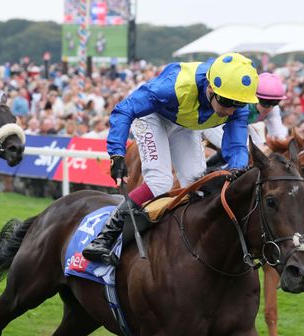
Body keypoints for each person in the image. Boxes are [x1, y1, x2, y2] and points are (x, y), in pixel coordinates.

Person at [82, 52, 259, 265]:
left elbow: (237, 146)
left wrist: (237, 170)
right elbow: (124, 110)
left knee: (196, 183)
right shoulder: (172, 86)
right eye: (227, 102)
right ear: (211, 89)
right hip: (153, 117)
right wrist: (117, 153)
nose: (231, 110)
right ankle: (104, 237)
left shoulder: (235, 101)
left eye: (238, 105)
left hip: (186, 124)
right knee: (160, 182)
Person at [203, 71, 289, 150]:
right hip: (209, 125)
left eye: (275, 103)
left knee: (258, 146)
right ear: (254, 96)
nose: (270, 108)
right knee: (244, 148)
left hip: (234, 125)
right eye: (266, 103)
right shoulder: (243, 104)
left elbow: (278, 135)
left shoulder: (274, 109)